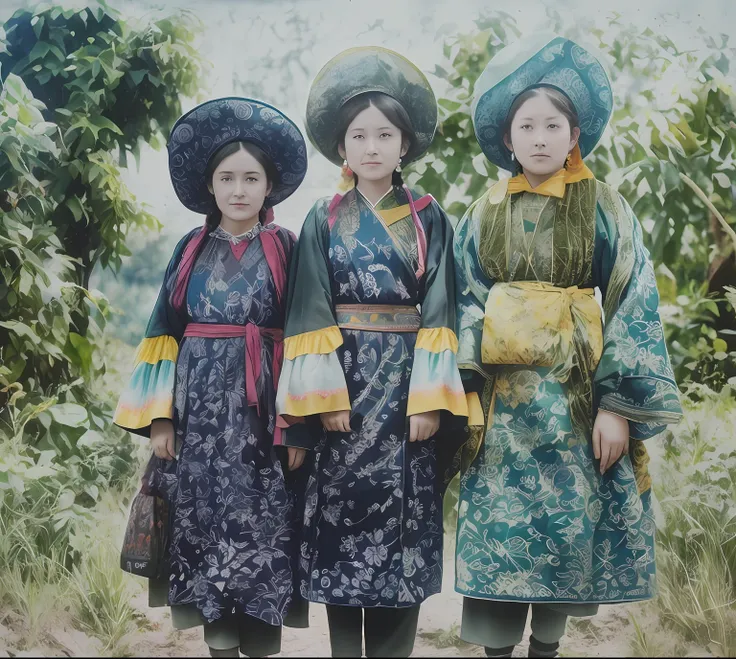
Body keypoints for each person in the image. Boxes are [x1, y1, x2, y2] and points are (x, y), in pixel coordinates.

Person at [452, 34, 684, 659]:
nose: (539, 137)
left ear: (575, 132)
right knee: (500, 536)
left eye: (553, 124)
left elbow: (632, 302)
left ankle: (546, 650)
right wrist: (467, 393)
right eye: (526, 124)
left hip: (575, 406)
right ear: (507, 138)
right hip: (502, 414)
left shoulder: (606, 208)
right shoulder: (482, 213)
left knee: (563, 534)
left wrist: (616, 408)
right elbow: (465, 301)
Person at [275, 47, 469, 658]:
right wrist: (322, 399)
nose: (372, 146)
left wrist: (432, 402)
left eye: (385, 134)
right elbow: (308, 311)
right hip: (345, 390)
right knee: (340, 523)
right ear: (341, 148)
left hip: (408, 388)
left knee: (404, 528)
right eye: (358, 135)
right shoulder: (323, 218)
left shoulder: (429, 217)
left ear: (404, 145)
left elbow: (441, 311)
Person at [113, 97, 309, 658]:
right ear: (211, 185)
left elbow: (305, 340)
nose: (239, 189)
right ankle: (220, 647)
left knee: (266, 535)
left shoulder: (287, 249)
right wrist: (159, 420)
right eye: (227, 177)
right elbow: (161, 336)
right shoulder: (190, 249)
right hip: (197, 425)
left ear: (269, 185)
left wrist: (298, 426)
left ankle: (261, 647)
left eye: (252, 177)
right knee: (205, 534)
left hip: (266, 421)